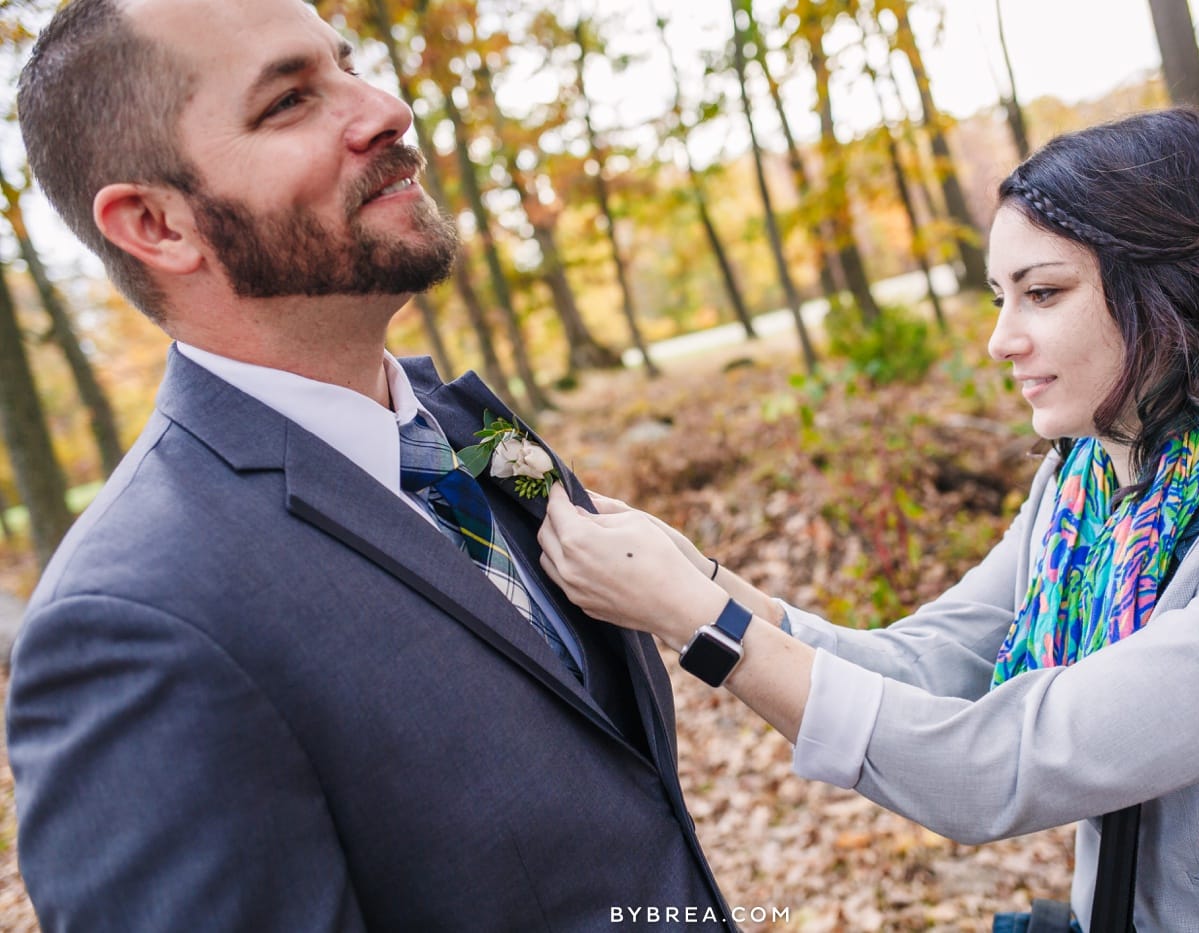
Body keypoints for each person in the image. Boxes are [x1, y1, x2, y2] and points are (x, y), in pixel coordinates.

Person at [539, 108, 1199, 931]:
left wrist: (700, 623)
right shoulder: (1085, 497)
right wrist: (713, 587)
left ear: (1181, 293)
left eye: (1043, 292)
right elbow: (929, 661)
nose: (1002, 339)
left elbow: (1008, 764)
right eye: (1001, 295)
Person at [6, 0, 736, 930]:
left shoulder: (464, 426)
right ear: (157, 223)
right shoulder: (132, 626)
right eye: (288, 102)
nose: (387, 107)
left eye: (346, 65)